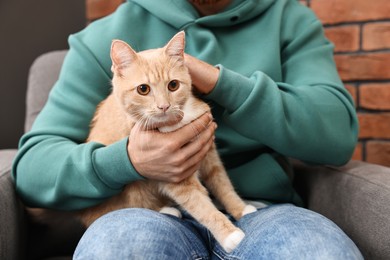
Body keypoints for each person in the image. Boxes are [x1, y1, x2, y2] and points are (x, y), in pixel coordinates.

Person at [12, 0, 363, 259]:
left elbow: (337, 137)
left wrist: (218, 82)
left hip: (263, 210)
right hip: (145, 212)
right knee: (116, 248)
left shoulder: (289, 18)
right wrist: (128, 161)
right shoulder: (100, 39)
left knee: (320, 252)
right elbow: (31, 170)